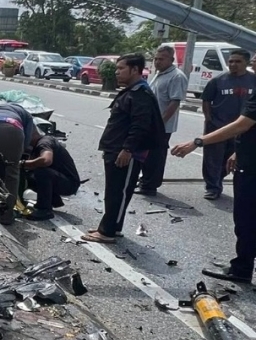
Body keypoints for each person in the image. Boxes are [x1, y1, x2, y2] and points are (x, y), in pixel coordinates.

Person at [172, 88, 256, 283]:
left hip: (252, 170)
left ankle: (241, 269)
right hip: (249, 160)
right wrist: (238, 152)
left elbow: (241, 125)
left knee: (246, 221)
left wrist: (198, 141)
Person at [84, 53, 166, 244]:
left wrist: (128, 149)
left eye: (121, 68)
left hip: (124, 152)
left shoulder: (141, 94)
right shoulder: (132, 91)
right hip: (116, 148)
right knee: (115, 190)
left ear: (135, 70)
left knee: (118, 191)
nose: (117, 72)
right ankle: (112, 225)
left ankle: (108, 231)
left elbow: (141, 125)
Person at [200, 50, 256, 200]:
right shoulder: (218, 80)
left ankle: (220, 178)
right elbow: (206, 99)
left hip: (242, 129)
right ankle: (213, 187)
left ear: (246, 63)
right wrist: (209, 119)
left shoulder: (253, 80)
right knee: (212, 159)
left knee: (230, 160)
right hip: (218, 126)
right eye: (231, 61)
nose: (233, 64)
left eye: (237, 62)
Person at [136, 45, 188, 196]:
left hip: (162, 126)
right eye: (156, 59)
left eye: (162, 59)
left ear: (171, 59)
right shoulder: (159, 74)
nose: (158, 62)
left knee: (155, 157)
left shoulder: (176, 76)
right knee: (147, 154)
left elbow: (174, 102)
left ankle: (150, 186)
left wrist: (160, 123)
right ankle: (145, 180)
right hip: (150, 123)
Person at [21, 127, 81, 220]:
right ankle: (53, 200)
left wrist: (22, 164)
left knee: (42, 172)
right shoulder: (40, 143)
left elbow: (46, 160)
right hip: (62, 179)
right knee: (29, 175)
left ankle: (44, 210)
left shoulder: (43, 143)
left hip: (70, 184)